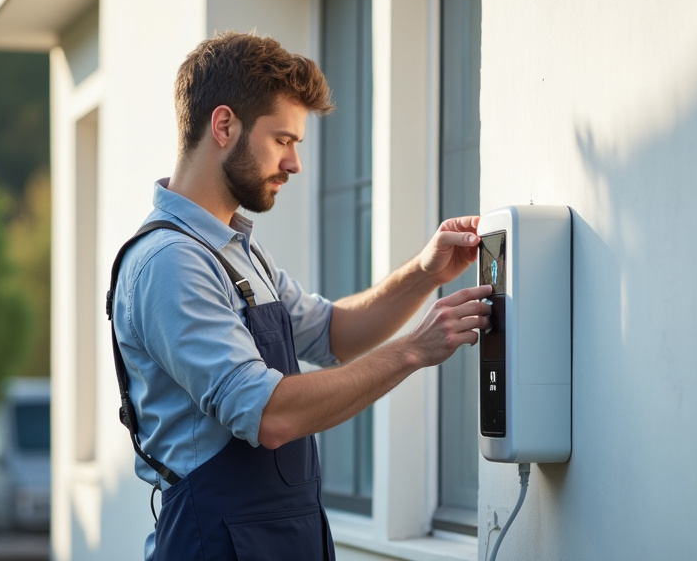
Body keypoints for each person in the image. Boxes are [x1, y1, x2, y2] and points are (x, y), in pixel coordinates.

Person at [108, 31, 492, 561]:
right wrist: (414, 349)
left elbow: (334, 333)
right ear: (224, 125)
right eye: (283, 140)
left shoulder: (238, 251)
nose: (294, 164)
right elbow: (269, 416)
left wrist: (426, 273)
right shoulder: (170, 263)